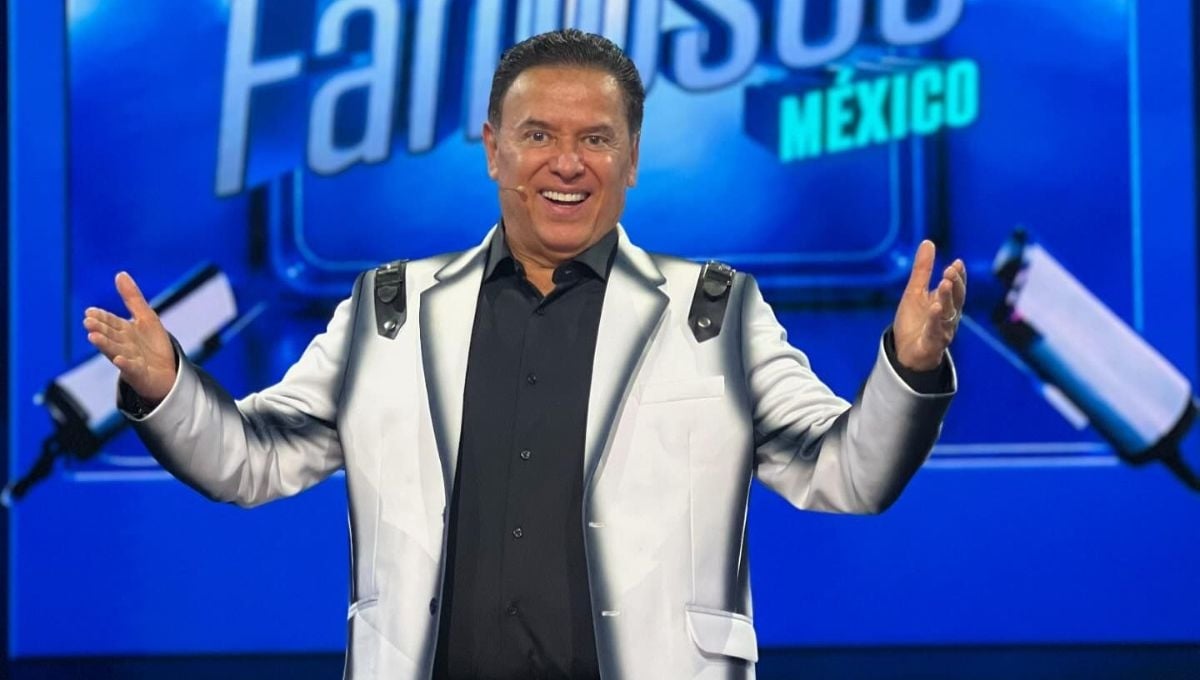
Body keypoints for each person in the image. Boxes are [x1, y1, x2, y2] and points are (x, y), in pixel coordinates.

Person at [83, 29, 964, 680]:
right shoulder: (390, 310)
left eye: (596, 139)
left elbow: (847, 473)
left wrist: (910, 366)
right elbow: (252, 460)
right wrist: (167, 388)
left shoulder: (715, 312)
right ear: (494, 150)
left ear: (631, 158)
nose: (566, 163)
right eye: (538, 134)